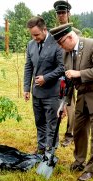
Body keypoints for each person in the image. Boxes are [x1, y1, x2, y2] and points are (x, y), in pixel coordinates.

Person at [50, 23, 93, 181]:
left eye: (61, 43)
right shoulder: (66, 53)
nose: (60, 47)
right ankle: (79, 161)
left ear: (70, 37)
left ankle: (91, 169)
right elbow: (69, 80)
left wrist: (79, 73)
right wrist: (63, 104)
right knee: (79, 129)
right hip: (83, 95)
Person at [23, 16, 64, 155]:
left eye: (37, 34)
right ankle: (41, 148)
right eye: (32, 35)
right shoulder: (31, 45)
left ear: (44, 30)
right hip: (37, 93)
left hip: (52, 92)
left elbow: (62, 67)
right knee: (39, 122)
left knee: (52, 124)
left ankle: (50, 151)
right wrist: (26, 88)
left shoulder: (57, 43)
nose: (34, 38)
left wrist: (46, 78)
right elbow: (28, 67)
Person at [53, 0, 81, 147]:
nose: (61, 15)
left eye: (63, 12)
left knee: (70, 104)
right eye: (59, 13)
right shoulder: (52, 34)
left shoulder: (76, 33)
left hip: (71, 73)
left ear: (69, 14)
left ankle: (70, 134)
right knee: (56, 105)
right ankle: (53, 134)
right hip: (56, 74)